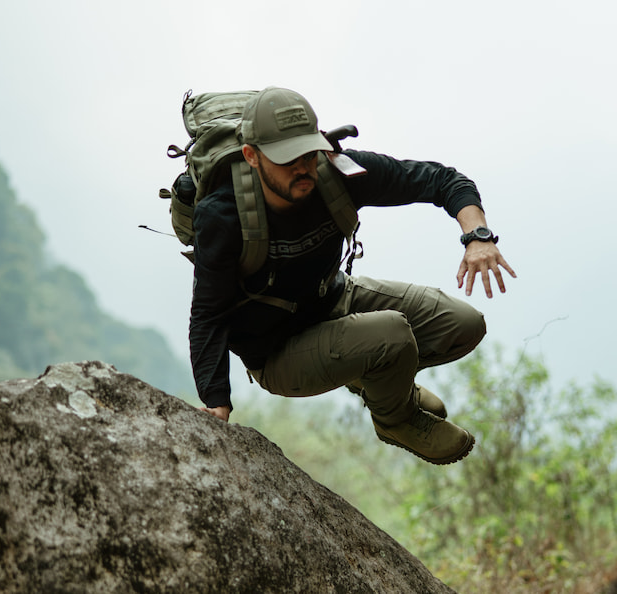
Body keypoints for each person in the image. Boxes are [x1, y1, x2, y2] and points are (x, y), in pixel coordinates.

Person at [189, 86, 516, 465]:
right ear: (252, 156)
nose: (303, 168)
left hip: (333, 299)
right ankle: (397, 419)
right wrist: (217, 401)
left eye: (308, 153)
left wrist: (477, 237)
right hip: (277, 352)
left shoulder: (336, 174)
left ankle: (378, 379)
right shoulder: (224, 214)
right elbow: (208, 314)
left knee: (463, 325)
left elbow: (442, 180)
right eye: (287, 159)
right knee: (392, 334)